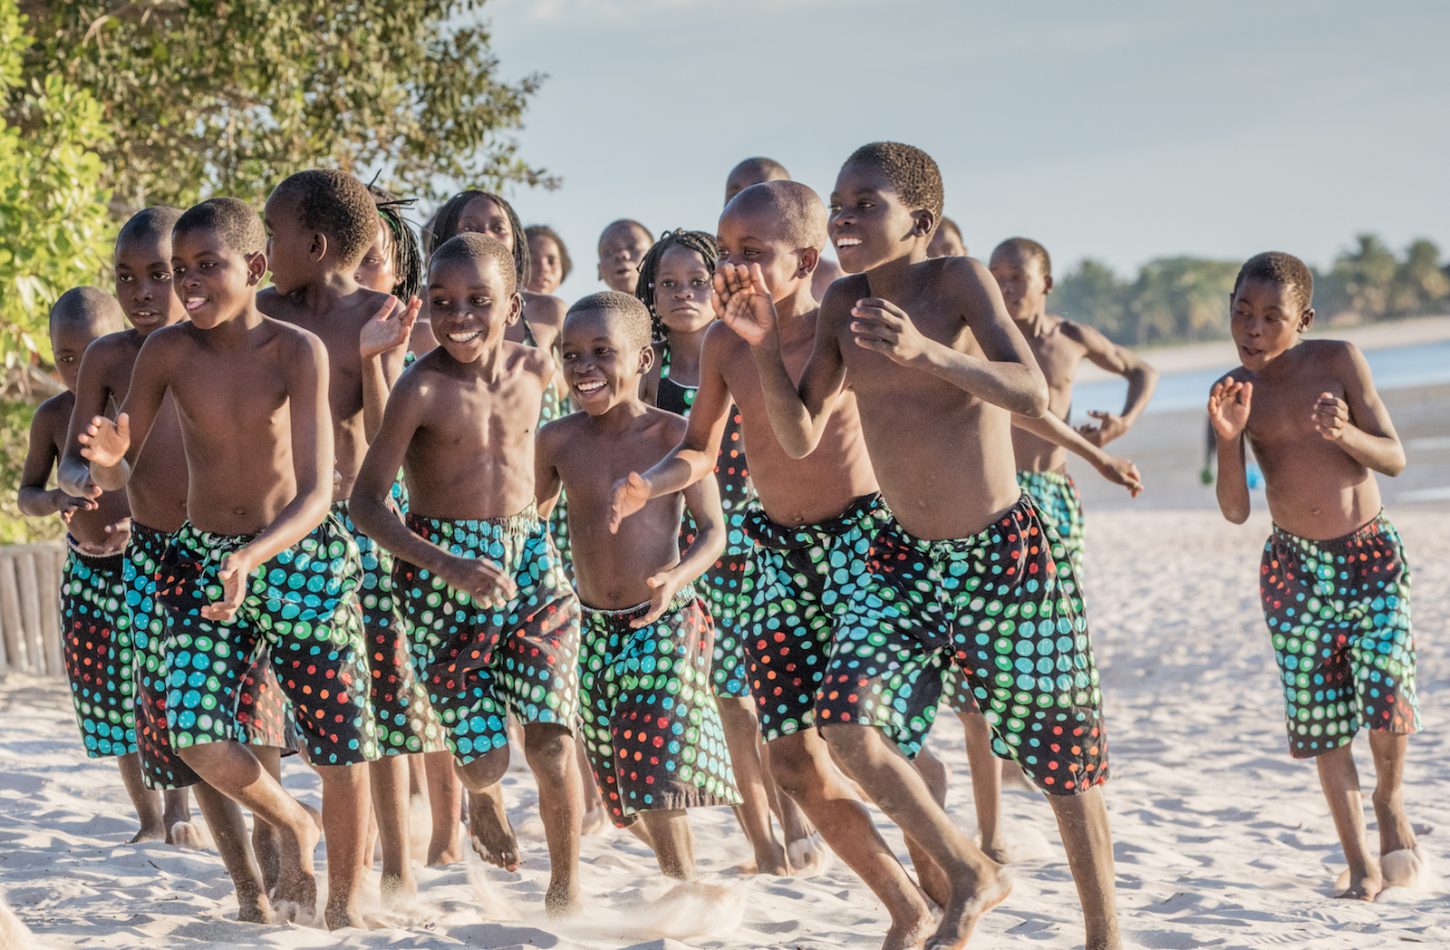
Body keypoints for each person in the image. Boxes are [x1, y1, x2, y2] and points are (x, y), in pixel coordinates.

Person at [713, 142, 1120, 950]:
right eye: (841, 203)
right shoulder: (842, 305)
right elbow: (797, 438)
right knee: (845, 727)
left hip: (1001, 556)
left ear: (921, 221)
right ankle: (969, 871)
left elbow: (1030, 388)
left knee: (1061, 760)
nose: (846, 217)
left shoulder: (955, 281)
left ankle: (1105, 936)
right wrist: (760, 344)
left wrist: (927, 351)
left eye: (866, 203)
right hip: (901, 563)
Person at [612, 179, 952, 949]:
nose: (734, 270)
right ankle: (903, 906)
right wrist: (651, 482)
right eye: (726, 252)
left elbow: (805, 434)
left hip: (864, 547)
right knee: (792, 759)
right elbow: (699, 447)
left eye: (753, 255)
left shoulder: (836, 329)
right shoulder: (728, 344)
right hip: (775, 549)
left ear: (805, 259)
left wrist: (763, 341)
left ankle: (942, 868)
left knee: (868, 740)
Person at [77, 197, 379, 929]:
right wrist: (111, 467)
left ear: (254, 266)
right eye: (181, 269)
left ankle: (342, 907)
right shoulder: (167, 353)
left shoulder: (294, 351)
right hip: (204, 560)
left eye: (205, 265)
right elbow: (122, 472)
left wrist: (256, 553)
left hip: (298, 552)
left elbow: (314, 493)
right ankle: (293, 824)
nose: (188, 282)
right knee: (193, 730)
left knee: (342, 744)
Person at [56, 210, 299, 895]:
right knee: (186, 718)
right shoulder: (108, 359)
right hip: (150, 562)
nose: (141, 291)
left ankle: (278, 840)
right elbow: (85, 462)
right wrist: (90, 473)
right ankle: (247, 883)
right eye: (125, 278)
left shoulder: (218, 350)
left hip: (227, 551)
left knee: (255, 708)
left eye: (159, 274)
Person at [349, 232, 584, 915]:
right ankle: (482, 798)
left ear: (513, 305)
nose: (461, 317)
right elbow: (367, 503)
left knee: (551, 738)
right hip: (439, 576)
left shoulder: (540, 371)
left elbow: (554, 454)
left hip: (530, 560)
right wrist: (446, 563)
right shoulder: (420, 387)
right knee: (486, 762)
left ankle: (566, 890)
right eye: (446, 302)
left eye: (480, 301)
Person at [1208, 251, 1419, 901]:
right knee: (1324, 720)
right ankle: (1358, 862)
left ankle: (1388, 800)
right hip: (1294, 571)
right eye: (1243, 312)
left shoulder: (1339, 361)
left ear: (1305, 318)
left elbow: (1396, 459)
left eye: (1273, 316)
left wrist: (1346, 434)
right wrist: (1227, 437)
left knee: (1388, 702)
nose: (1254, 327)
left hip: (1370, 556)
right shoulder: (1232, 391)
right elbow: (1237, 510)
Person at [259, 169, 445, 902]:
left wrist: (371, 357)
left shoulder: (378, 313)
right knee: (280, 702)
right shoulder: (265, 309)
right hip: (283, 522)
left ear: (317, 243)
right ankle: (290, 857)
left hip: (362, 518)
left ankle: (392, 868)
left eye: (275, 235)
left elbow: (378, 437)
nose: (267, 249)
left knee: (382, 706)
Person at [935, 237, 1152, 861]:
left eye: (1018, 277)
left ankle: (1032, 748)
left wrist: (1119, 425)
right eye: (996, 275)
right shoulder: (980, 335)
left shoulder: (1069, 336)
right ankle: (1002, 769)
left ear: (1046, 283)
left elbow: (1144, 369)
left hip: (1052, 494)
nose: (1006, 286)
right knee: (979, 655)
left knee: (1048, 637)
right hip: (993, 492)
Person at [537, 291, 741, 879]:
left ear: (644, 360)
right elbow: (529, 519)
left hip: (662, 621)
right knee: (625, 787)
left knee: (654, 769)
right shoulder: (557, 440)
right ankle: (689, 882)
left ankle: (686, 894)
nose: (584, 367)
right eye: (571, 354)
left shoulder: (676, 434)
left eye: (603, 351)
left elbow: (713, 533)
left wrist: (676, 578)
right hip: (590, 629)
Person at [634, 229, 800, 877]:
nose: (682, 295)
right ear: (650, 292)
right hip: (685, 552)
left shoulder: (746, 352)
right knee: (727, 704)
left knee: (774, 697)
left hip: (762, 544)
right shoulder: (647, 372)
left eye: (696, 282)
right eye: (668, 284)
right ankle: (763, 843)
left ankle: (795, 821)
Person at [18, 289, 150, 830]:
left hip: (144, 566)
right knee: (114, 704)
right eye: (66, 356)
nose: (79, 367)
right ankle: (150, 818)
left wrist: (137, 525)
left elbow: (172, 485)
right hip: (87, 576)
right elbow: (27, 494)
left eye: (92, 352)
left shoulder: (140, 407)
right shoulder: (53, 417)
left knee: (157, 694)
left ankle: (177, 808)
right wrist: (54, 500)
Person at [721, 156, 843, 302]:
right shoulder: (714, 266)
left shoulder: (827, 275)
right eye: (734, 194)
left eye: (761, 191)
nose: (744, 199)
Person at [596, 219, 653, 296]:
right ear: (599, 270)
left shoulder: (673, 304)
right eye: (608, 252)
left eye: (632, 247)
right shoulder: (587, 307)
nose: (620, 255)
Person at [526, 225, 572, 296]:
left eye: (551, 261)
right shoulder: (503, 307)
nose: (544, 268)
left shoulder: (580, 306)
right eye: (532, 259)